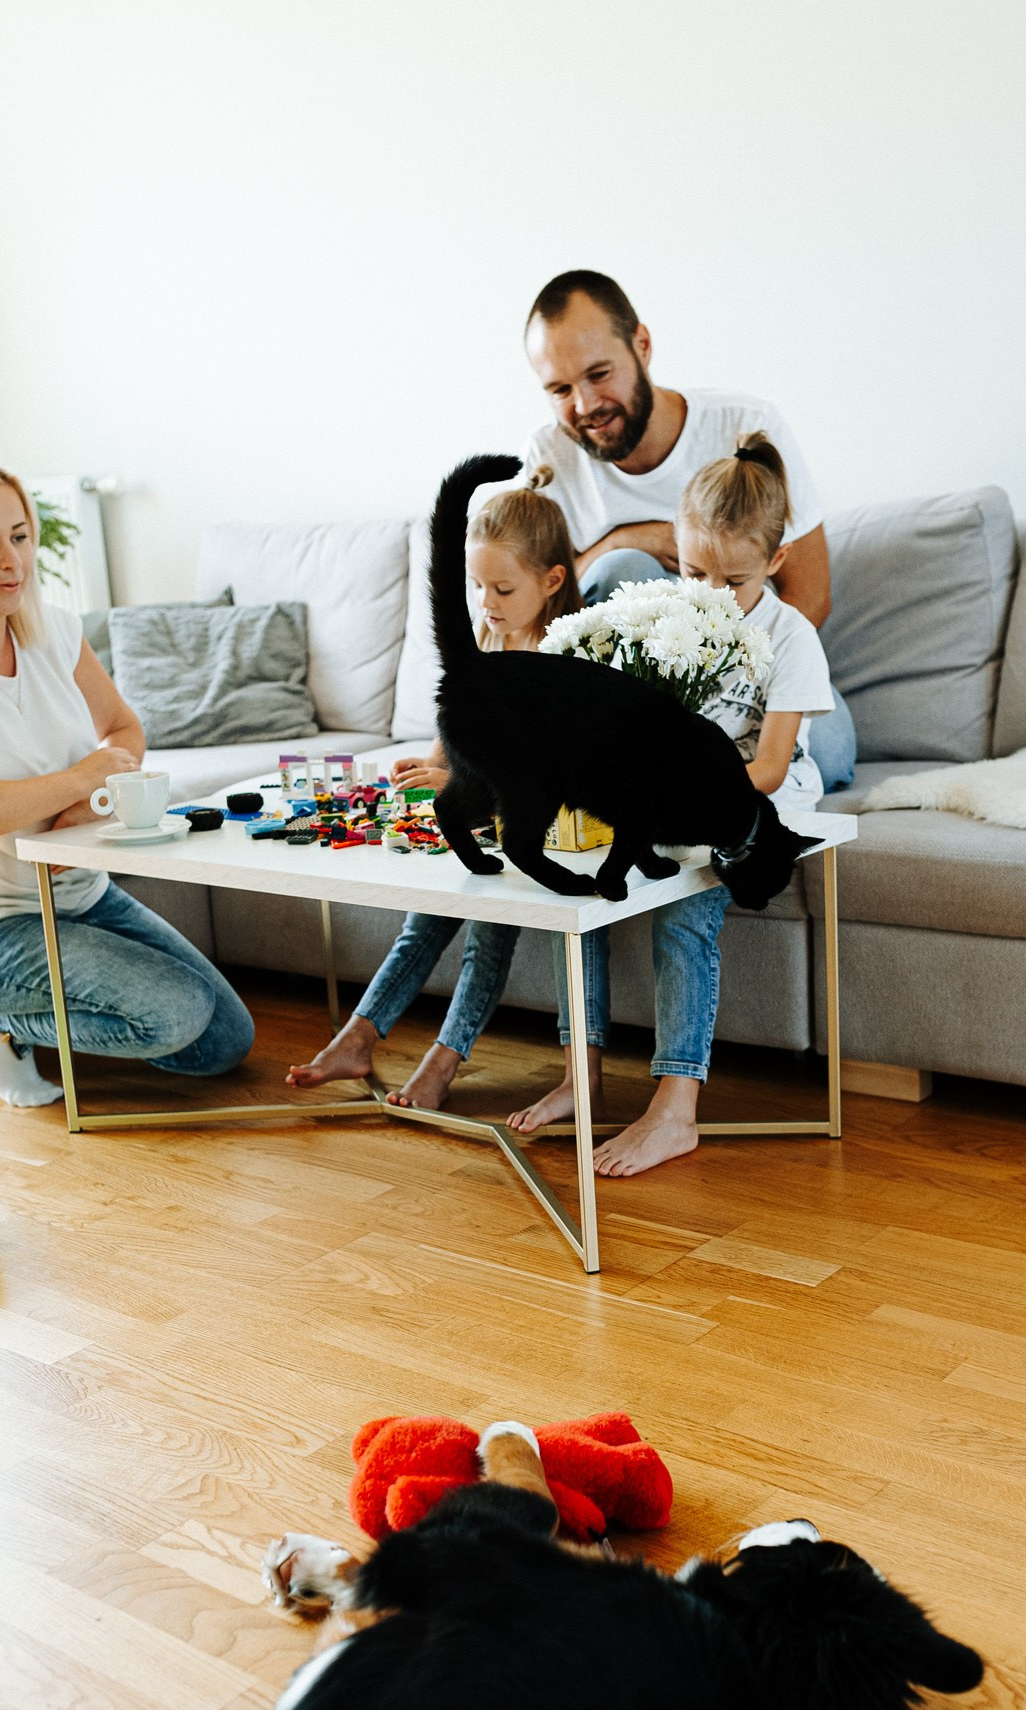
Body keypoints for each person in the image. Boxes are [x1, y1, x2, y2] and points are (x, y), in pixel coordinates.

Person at [0, 452, 254, 1108]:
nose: (13, 561)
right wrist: (81, 778)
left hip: (78, 894)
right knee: (173, 1017)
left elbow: (124, 733)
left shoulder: (52, 630)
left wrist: (88, 802)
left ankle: (22, 1021)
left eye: (19, 537)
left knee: (223, 1039)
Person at [508, 432, 833, 1176]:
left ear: (775, 563)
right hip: (674, 792)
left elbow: (772, 769)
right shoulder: (662, 616)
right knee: (578, 871)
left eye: (734, 581)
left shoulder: (790, 635)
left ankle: (673, 1108)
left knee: (685, 902)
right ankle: (579, 1072)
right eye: (692, 572)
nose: (710, 596)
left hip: (757, 794)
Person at [286, 475, 583, 1111]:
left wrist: (458, 783)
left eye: (502, 589)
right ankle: (357, 1036)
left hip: (539, 836)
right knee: (424, 918)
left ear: (552, 581)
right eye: (478, 587)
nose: (487, 602)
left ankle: (442, 1063)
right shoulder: (489, 637)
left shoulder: (565, 656)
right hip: (484, 828)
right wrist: (431, 764)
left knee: (488, 932)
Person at [521, 268, 855, 790]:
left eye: (599, 373)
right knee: (621, 568)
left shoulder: (743, 423)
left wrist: (720, 686)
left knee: (823, 760)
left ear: (643, 345)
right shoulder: (549, 457)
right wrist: (621, 541)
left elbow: (810, 595)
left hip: (757, 678)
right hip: (643, 698)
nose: (585, 405)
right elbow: (536, 614)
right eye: (560, 389)